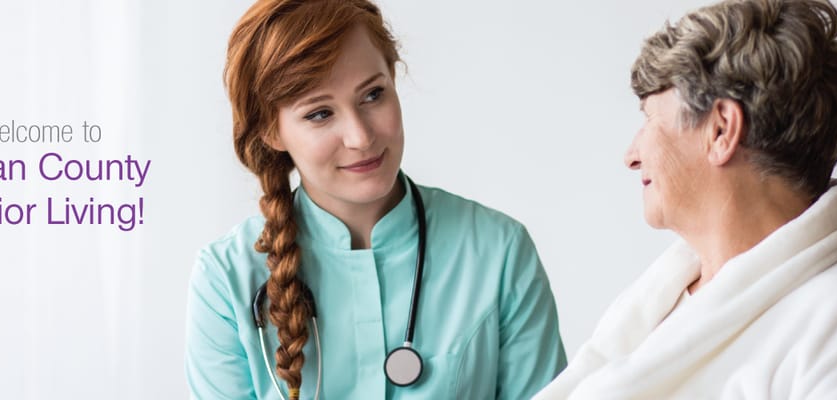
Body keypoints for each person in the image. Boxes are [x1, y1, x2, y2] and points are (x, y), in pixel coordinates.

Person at [184, 0, 566, 399]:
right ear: (271, 132)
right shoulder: (225, 280)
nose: (361, 137)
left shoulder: (498, 251)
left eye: (372, 95)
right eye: (319, 114)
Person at [535, 0, 837, 398]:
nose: (631, 156)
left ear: (720, 131)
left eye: (649, 119)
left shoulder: (826, 324)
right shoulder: (662, 293)